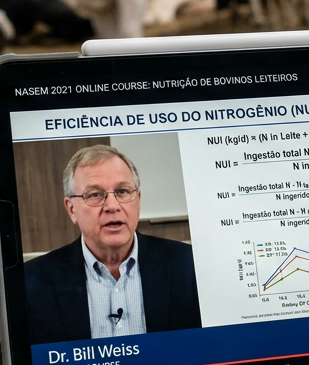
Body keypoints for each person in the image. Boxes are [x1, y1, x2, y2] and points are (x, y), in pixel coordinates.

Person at [25, 144, 201, 344]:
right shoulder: (30, 283)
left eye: (122, 191)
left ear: (138, 200)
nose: (112, 206)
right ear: (72, 209)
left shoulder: (190, 266)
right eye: (95, 195)